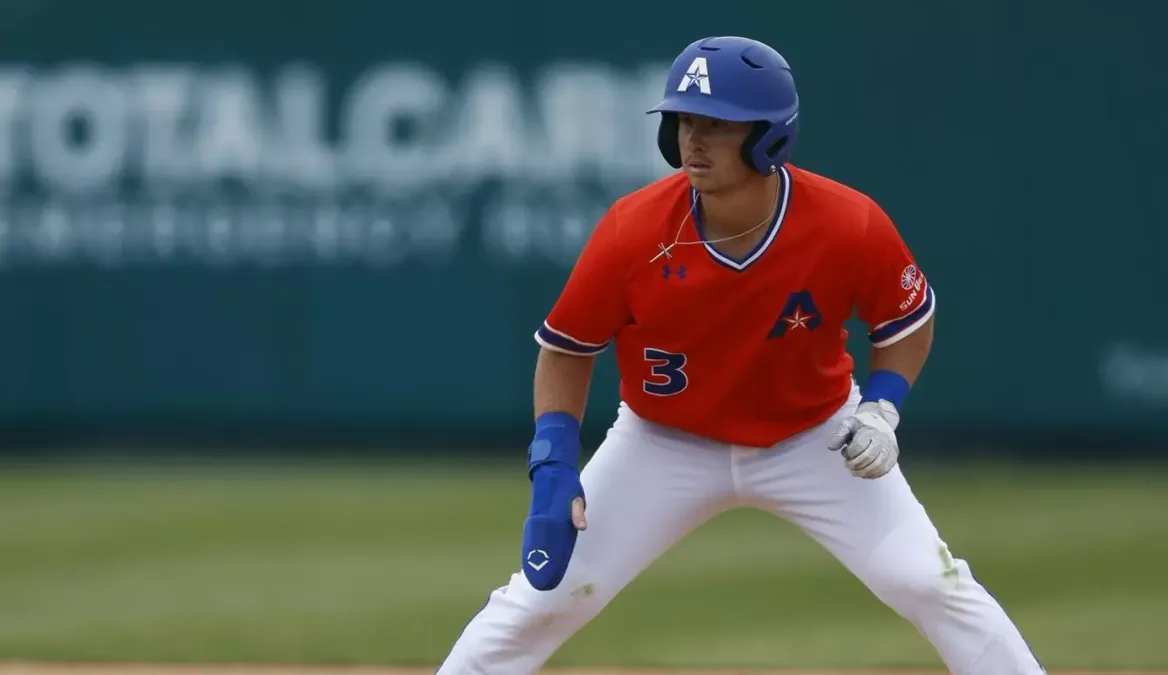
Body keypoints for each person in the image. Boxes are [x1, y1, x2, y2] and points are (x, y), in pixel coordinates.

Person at [435, 36, 1045, 675]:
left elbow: (907, 321)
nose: (693, 139)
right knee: (543, 598)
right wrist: (554, 463)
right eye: (684, 121)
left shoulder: (847, 223)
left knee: (928, 582)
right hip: (662, 442)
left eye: (718, 124)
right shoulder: (632, 230)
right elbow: (565, 350)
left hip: (815, 437)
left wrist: (882, 409)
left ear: (770, 136)